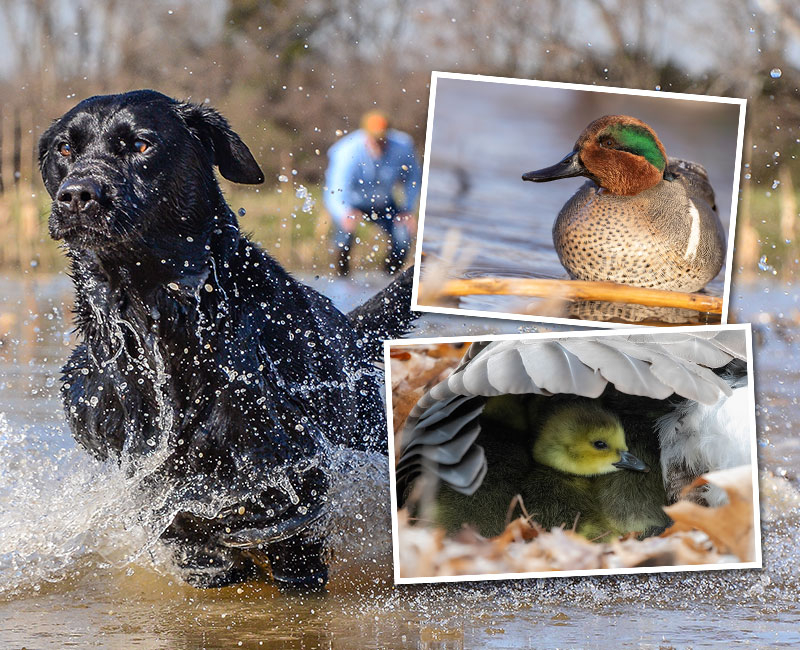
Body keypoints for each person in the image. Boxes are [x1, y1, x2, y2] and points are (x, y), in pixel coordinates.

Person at [324, 110, 422, 275]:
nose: (379, 142)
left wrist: (407, 208)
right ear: (364, 134)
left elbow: (413, 179)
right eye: (375, 138)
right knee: (344, 236)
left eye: (383, 138)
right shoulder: (347, 152)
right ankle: (341, 276)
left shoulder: (403, 146)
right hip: (353, 204)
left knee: (403, 237)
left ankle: (388, 279)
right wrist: (344, 212)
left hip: (385, 203)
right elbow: (334, 190)